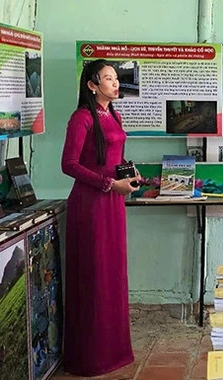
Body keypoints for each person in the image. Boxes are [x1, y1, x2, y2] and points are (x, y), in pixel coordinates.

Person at [61, 59, 140, 376]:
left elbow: (113, 159)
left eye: (117, 78)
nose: (116, 83)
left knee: (112, 275)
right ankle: (90, 357)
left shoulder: (114, 114)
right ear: (92, 85)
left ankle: (114, 351)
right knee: (93, 277)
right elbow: (69, 165)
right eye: (108, 78)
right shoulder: (81, 119)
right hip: (91, 205)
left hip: (113, 205)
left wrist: (130, 176)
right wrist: (109, 184)